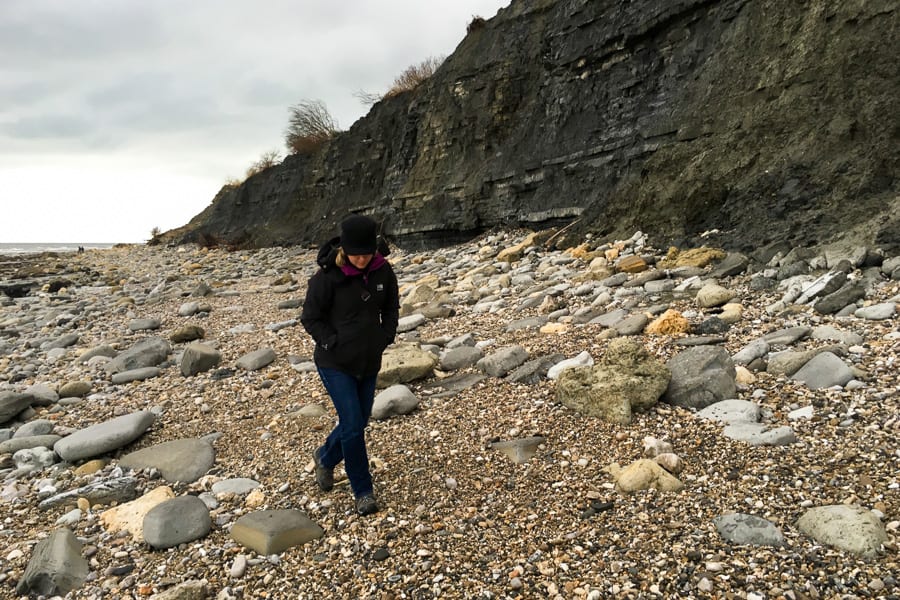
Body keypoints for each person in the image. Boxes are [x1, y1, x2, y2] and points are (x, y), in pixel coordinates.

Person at [300, 215, 399, 515]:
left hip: (369, 360)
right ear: (345, 248)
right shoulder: (327, 278)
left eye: (366, 253)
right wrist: (331, 341)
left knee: (357, 421)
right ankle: (363, 491)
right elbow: (310, 317)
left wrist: (386, 335)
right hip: (335, 362)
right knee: (354, 426)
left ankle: (326, 457)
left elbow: (391, 306)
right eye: (355, 253)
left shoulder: (383, 272)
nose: (360, 259)